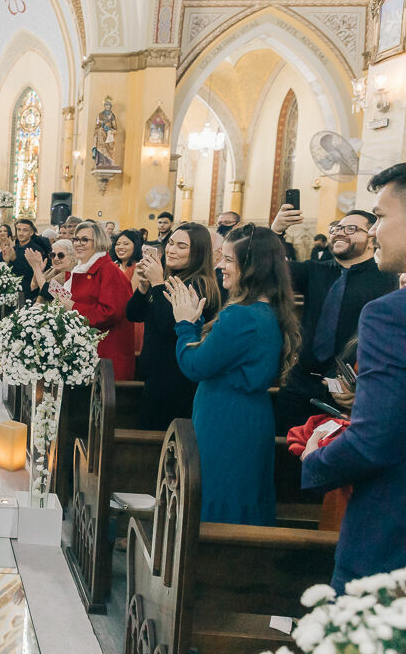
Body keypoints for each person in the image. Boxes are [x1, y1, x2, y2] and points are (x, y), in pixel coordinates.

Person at [300, 163, 406, 592]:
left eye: (381, 216)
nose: (376, 230)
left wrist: (315, 462)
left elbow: (374, 441)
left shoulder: (390, 314)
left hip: (390, 537)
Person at [168, 225, 300, 526]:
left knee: (219, 492)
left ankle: (210, 562)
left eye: (228, 259)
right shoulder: (269, 309)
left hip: (226, 418)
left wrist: (186, 325)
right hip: (249, 414)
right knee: (242, 493)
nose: (220, 266)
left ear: (252, 266)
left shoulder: (242, 315)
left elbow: (196, 366)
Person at [271, 205, 398, 435]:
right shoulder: (314, 271)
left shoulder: (388, 279)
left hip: (348, 392)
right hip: (299, 384)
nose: (340, 232)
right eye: (336, 228)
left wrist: (361, 388)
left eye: (351, 229)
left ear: (371, 237)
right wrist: (276, 232)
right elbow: (268, 269)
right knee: (285, 460)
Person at [127, 223, 221, 429]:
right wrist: (143, 287)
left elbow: (168, 325)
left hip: (177, 379)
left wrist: (158, 283)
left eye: (181, 246)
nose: (171, 250)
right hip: (155, 374)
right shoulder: (169, 279)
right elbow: (133, 314)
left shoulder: (200, 284)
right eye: (170, 243)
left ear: (198, 252)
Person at [55, 221, 136, 380]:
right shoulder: (84, 268)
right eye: (76, 239)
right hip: (89, 351)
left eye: (85, 240)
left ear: (98, 242)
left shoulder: (109, 271)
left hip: (107, 354)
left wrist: (73, 307)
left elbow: (110, 313)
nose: (78, 244)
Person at [0, 219, 51, 301]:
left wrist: (14, 259)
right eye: (18, 230)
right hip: (13, 292)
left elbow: (33, 272)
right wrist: (7, 261)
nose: (20, 233)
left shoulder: (36, 250)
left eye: (25, 230)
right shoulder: (14, 248)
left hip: (29, 294)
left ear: (31, 233)